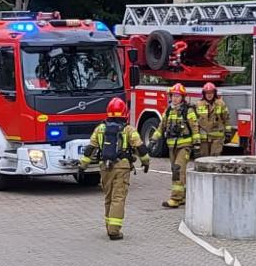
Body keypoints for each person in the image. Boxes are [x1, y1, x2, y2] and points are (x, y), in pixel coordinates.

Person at [81, 98, 147, 240]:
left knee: (108, 197)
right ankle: (114, 231)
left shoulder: (100, 129)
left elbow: (90, 148)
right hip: (121, 167)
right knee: (118, 198)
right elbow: (140, 147)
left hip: (105, 167)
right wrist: (146, 162)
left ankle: (109, 227)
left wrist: (83, 166)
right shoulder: (128, 129)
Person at [158, 84, 200, 209]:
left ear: (182, 97)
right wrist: (154, 138)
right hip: (172, 147)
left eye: (178, 96)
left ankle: (175, 199)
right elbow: (161, 126)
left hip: (184, 145)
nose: (175, 98)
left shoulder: (188, 111)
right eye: (174, 96)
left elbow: (194, 128)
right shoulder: (169, 111)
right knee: (176, 171)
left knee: (178, 169)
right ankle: (183, 196)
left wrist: (197, 145)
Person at [196, 82, 230, 158]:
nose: (209, 95)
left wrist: (228, 132)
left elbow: (226, 118)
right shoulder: (198, 104)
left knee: (215, 158)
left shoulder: (221, 104)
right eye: (207, 93)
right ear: (204, 93)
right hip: (204, 138)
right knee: (204, 158)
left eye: (211, 92)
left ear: (214, 93)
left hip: (217, 137)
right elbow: (195, 122)